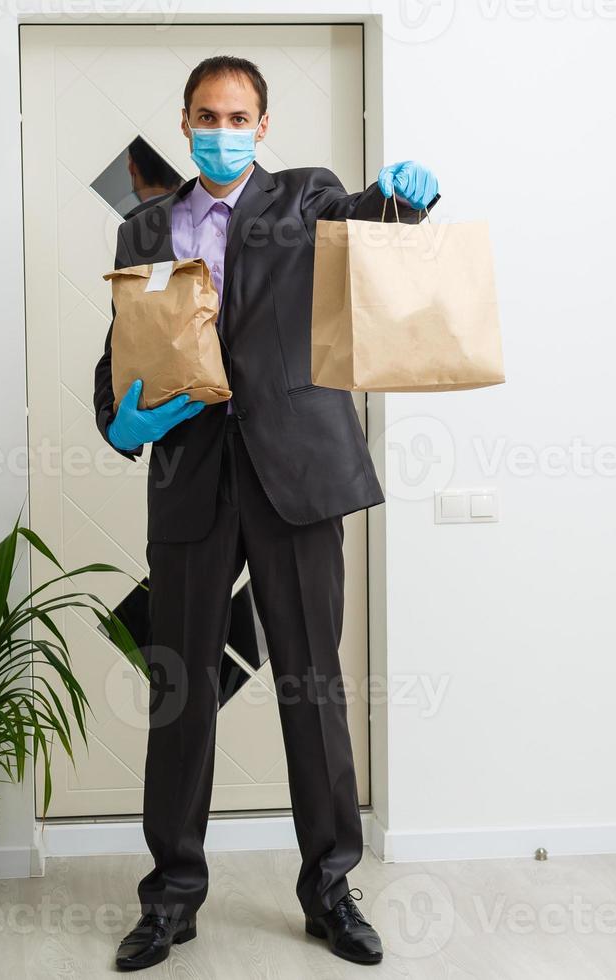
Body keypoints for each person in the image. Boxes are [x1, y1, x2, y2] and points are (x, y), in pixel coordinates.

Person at [91, 55, 439, 971]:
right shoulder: (143, 226)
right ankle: (170, 898)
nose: (220, 129)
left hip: (295, 475)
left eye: (237, 115)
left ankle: (330, 890)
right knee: (181, 693)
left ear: (263, 123)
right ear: (182, 120)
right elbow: (121, 351)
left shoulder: (304, 198)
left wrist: (403, 200)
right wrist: (120, 421)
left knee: (311, 688)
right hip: (191, 480)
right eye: (206, 115)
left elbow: (368, 221)